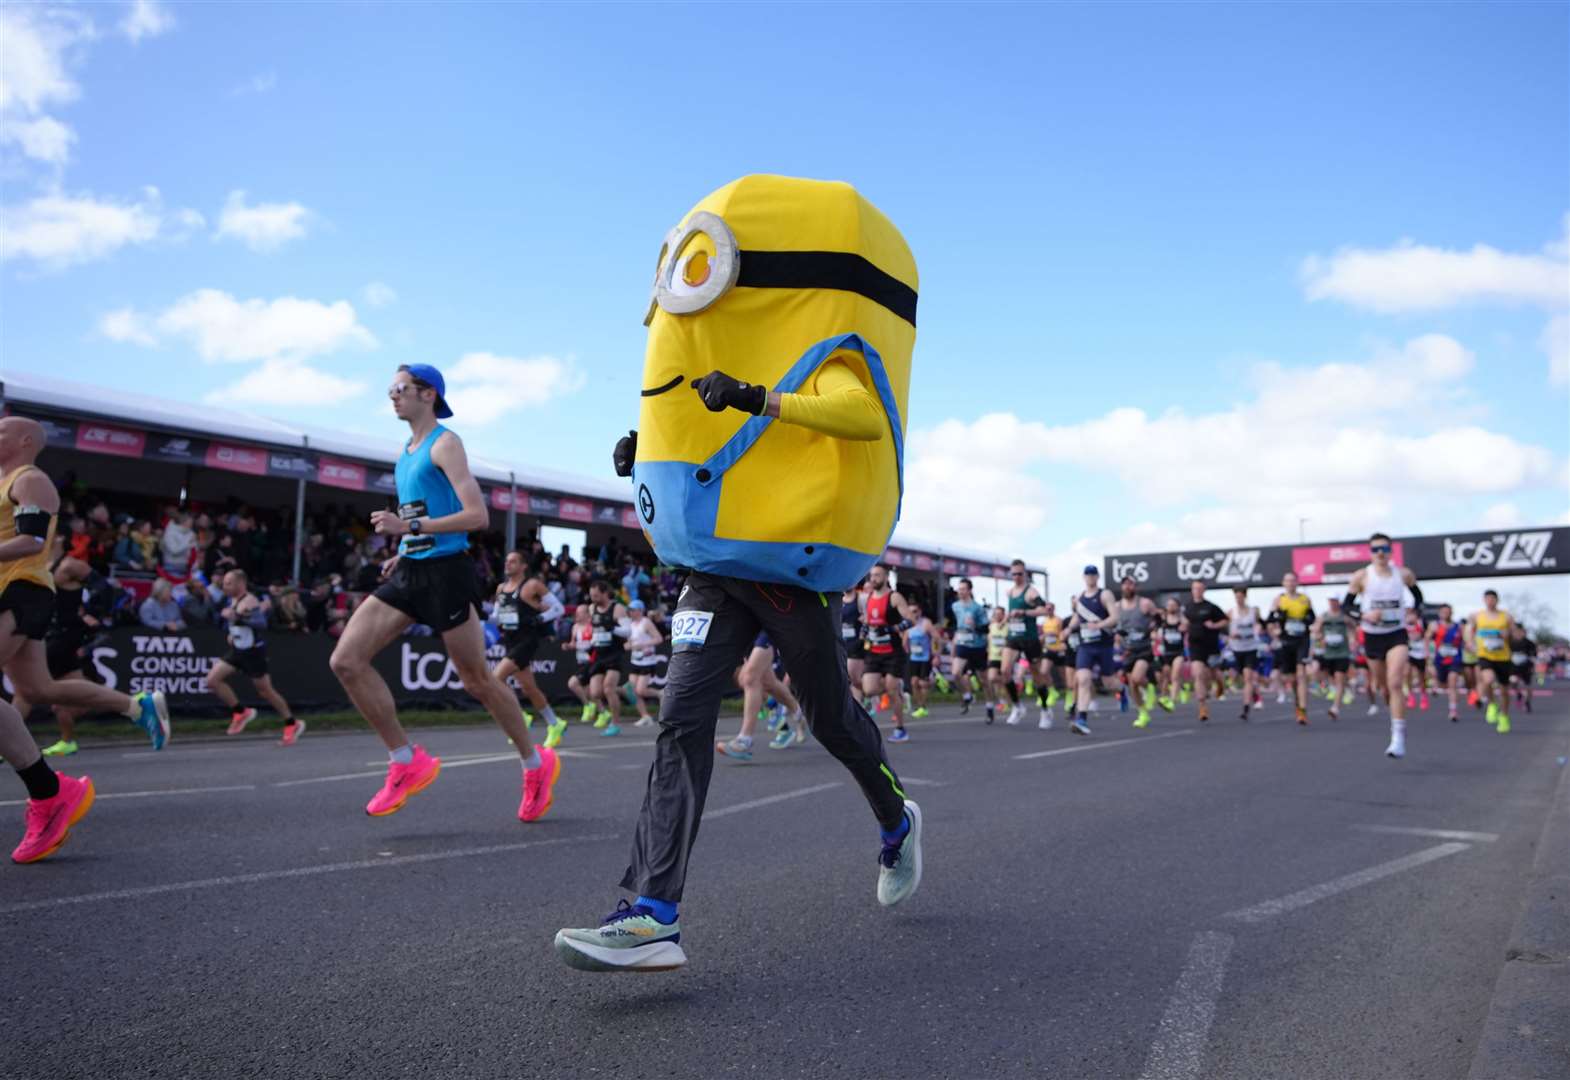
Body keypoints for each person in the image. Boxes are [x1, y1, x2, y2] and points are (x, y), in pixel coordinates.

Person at [557, 176, 920, 972]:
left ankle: (896, 822)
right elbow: (685, 430)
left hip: (789, 570)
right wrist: (636, 455)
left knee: (832, 721)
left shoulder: (825, 353)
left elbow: (858, 415)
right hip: (713, 572)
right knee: (681, 721)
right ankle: (653, 915)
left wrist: (761, 397)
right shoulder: (710, 356)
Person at [327, 364, 559, 820]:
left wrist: (408, 526)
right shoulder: (405, 451)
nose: (392, 396)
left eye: (400, 388)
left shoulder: (446, 444)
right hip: (412, 568)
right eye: (390, 388)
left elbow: (477, 517)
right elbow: (422, 514)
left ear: (428, 394)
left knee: (478, 683)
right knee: (346, 661)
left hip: (449, 574)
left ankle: (536, 764)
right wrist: (407, 545)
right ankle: (405, 761)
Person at [0, 420, 165, 863]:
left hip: (21, 592)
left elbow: (31, 541)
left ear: (25, 442)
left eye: (0, 432)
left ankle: (49, 792)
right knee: (38, 691)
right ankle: (136, 706)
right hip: (15, 593)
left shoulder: (28, 479)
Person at [1345, 532, 1423, 758]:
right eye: (1375, 549)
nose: (1380, 553)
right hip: (1372, 636)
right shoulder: (1361, 576)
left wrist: (1413, 613)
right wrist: (1365, 615)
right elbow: (1346, 607)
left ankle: (1398, 738)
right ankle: (1394, 715)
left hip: (1396, 634)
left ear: (1391, 551)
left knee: (1396, 682)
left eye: (1384, 549)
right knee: (1385, 688)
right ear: (1370, 552)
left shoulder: (1403, 574)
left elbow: (1419, 598)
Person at [208, 569, 302, 745]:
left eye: (229, 583)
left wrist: (237, 618)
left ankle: (291, 723)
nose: (224, 585)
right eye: (225, 582)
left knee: (266, 691)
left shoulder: (250, 601)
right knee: (212, 681)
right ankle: (240, 712)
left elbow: (261, 623)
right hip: (237, 650)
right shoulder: (232, 599)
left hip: (253, 653)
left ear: (240, 584)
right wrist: (233, 632)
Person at [491, 550, 568, 749]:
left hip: (527, 639)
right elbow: (496, 614)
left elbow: (558, 609)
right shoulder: (501, 588)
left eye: (513, 561)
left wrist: (539, 619)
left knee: (495, 678)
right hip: (509, 639)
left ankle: (519, 715)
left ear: (523, 566)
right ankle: (555, 723)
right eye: (507, 561)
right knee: (529, 688)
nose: (508, 564)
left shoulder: (532, 585)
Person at [860, 564, 916, 742]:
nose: (873, 578)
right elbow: (867, 620)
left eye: (877, 575)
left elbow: (911, 620)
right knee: (868, 689)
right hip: (874, 651)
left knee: (891, 690)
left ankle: (900, 729)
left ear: (885, 577)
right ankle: (896, 691)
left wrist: (893, 629)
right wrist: (863, 632)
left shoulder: (894, 597)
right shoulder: (868, 597)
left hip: (893, 651)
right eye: (871, 576)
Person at [1066, 566, 1118, 736]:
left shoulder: (1105, 594)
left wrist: (1099, 625)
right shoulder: (1080, 597)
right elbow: (1077, 618)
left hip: (1103, 645)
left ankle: (1122, 690)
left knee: (1109, 683)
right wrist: (1068, 629)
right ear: (1083, 577)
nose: (1090, 578)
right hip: (1086, 646)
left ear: (1097, 576)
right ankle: (1081, 719)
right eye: (1087, 575)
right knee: (1082, 679)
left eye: (1093, 575)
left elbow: (1114, 617)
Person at [1000, 559, 1052, 726]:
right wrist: (1005, 619)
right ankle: (1017, 706)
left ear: (1025, 574)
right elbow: (1011, 612)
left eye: (1020, 574)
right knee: (1005, 671)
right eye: (1014, 574)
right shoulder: (1009, 592)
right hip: (1013, 637)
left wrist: (1024, 611)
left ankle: (1045, 709)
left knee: (1037, 675)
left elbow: (1044, 609)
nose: (1016, 577)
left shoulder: (1031, 592)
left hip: (1030, 639)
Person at [582, 580, 630, 738]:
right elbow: (594, 628)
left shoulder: (618, 609)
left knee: (608, 688)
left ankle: (615, 724)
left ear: (605, 593)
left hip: (614, 653)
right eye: (591, 595)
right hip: (598, 654)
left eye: (596, 595)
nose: (593, 598)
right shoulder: (592, 608)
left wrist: (612, 627)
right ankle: (623, 690)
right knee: (595, 692)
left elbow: (627, 632)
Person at [1269, 572, 1315, 725]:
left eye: (1293, 580)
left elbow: (1312, 618)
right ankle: (1297, 700)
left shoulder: (1305, 599)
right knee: (1291, 677)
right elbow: (1270, 621)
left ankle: (1302, 710)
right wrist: (1275, 629)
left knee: (1301, 674)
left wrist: (1308, 621)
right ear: (1283, 583)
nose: (1290, 583)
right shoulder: (1278, 599)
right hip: (1286, 641)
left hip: (1302, 639)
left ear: (1297, 582)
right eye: (1287, 581)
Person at [1466, 590, 1515, 733]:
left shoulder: (1506, 616)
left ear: (1497, 600)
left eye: (1493, 599)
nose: (1490, 601)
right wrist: (1470, 642)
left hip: (1503, 657)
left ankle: (1504, 716)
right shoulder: (1477, 616)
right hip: (1485, 654)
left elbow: (1512, 634)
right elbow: (1469, 630)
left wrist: (1507, 634)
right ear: (1484, 600)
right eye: (1487, 599)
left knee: (1505, 691)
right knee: (1487, 680)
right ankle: (1492, 704)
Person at [1114, 576, 1159, 729]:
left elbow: (1159, 617)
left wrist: (1153, 627)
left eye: (1131, 584)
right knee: (1132, 684)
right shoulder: (1117, 607)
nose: (1128, 587)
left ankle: (1150, 688)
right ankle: (1143, 713)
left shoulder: (1145, 603)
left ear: (1135, 587)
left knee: (1137, 677)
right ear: (1121, 587)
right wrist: (1117, 637)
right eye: (1125, 584)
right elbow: (1114, 626)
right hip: (1128, 650)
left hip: (1144, 649)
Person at [1181, 580, 1228, 723]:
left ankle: (1220, 684)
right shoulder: (1188, 607)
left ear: (1204, 590)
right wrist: (1184, 627)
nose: (1197, 591)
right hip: (1195, 645)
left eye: (1200, 588)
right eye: (1195, 588)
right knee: (1198, 674)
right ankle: (1202, 707)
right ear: (1192, 590)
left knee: (1214, 673)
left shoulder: (1211, 607)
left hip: (1211, 645)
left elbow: (1225, 620)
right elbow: (1184, 622)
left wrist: (1214, 625)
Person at [948, 578, 988, 715]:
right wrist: (954, 643)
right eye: (959, 589)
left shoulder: (978, 608)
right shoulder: (955, 606)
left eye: (963, 589)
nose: (961, 592)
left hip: (977, 646)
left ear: (970, 591)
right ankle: (967, 696)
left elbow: (986, 629)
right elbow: (955, 625)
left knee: (984, 679)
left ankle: (989, 705)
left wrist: (975, 626)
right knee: (955, 673)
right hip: (962, 643)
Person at [1312, 597, 1355, 721]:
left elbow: (1353, 628)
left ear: (1338, 602)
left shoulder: (1344, 617)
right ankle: (1339, 690)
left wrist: (1352, 639)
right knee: (1330, 677)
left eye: (1335, 600)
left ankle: (1335, 707)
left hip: (1342, 653)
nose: (1333, 603)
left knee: (1339, 678)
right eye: (1331, 601)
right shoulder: (1323, 617)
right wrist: (1320, 636)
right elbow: (1316, 632)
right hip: (1328, 653)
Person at [1225, 588, 1265, 722]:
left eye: (1241, 597)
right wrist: (1231, 635)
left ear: (1245, 597)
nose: (1239, 600)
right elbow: (1224, 627)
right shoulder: (1231, 612)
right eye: (1236, 597)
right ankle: (1256, 695)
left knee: (1248, 676)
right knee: (1242, 677)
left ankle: (1245, 708)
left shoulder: (1254, 611)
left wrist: (1260, 628)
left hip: (1251, 647)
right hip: (1237, 648)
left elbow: (1262, 623)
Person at [626, 601, 665, 729]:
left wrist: (643, 645)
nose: (630, 612)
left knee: (640, 690)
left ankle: (660, 693)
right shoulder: (631, 624)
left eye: (632, 610)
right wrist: (628, 645)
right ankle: (645, 716)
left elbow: (658, 638)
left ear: (639, 610)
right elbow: (630, 642)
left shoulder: (646, 622)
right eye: (629, 610)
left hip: (647, 661)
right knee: (632, 690)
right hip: (635, 661)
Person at [1428, 604, 1465, 722]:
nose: (1446, 614)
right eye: (1443, 612)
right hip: (1440, 660)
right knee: (1443, 684)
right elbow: (1426, 639)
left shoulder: (1458, 627)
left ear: (1451, 613)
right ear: (1439, 613)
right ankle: (1436, 685)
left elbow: (1466, 640)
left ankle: (1453, 711)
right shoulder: (1434, 626)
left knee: (1452, 682)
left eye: (1448, 612)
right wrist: (1428, 654)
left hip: (1455, 660)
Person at [904, 602, 939, 719]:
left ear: (919, 612)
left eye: (915, 611)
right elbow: (904, 642)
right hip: (913, 658)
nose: (912, 614)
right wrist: (906, 651)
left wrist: (936, 655)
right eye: (910, 612)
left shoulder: (926, 623)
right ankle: (919, 706)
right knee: (914, 682)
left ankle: (923, 707)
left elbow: (936, 638)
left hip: (925, 658)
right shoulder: (907, 625)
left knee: (923, 683)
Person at [984, 605, 1008, 724]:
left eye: (1000, 613)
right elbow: (990, 641)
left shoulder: (1008, 627)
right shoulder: (991, 626)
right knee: (992, 679)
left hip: (1005, 657)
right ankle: (1002, 699)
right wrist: (988, 654)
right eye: (996, 613)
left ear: (1003, 615)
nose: (998, 615)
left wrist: (1004, 649)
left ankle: (1003, 701)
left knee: (1000, 682)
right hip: (994, 656)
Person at [1509, 622, 1537, 717]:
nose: (1517, 633)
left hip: (1526, 666)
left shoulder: (1529, 643)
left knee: (1528, 686)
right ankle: (1519, 694)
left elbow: (1534, 656)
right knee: (1513, 681)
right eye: (1515, 632)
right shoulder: (1510, 642)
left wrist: (1532, 665)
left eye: (1520, 631)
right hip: (1514, 666)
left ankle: (1527, 702)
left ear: (1523, 632)